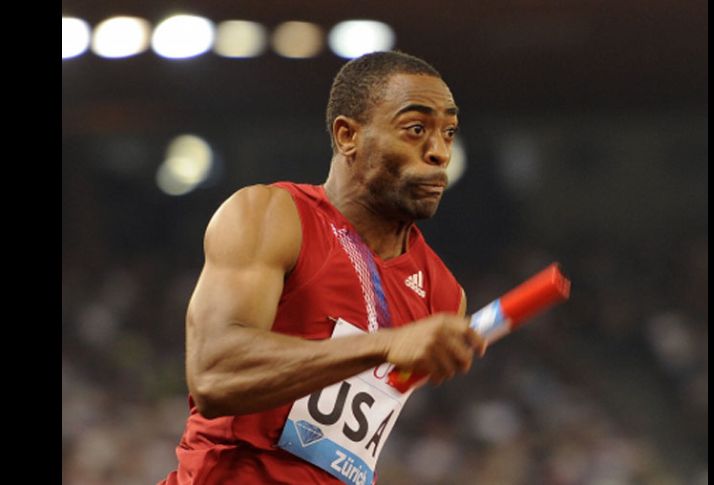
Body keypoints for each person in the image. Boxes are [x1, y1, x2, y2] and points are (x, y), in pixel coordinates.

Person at [159, 50, 487, 485]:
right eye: (415, 129)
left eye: (449, 132)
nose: (439, 152)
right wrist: (385, 344)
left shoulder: (443, 294)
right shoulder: (271, 216)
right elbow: (215, 375)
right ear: (347, 135)